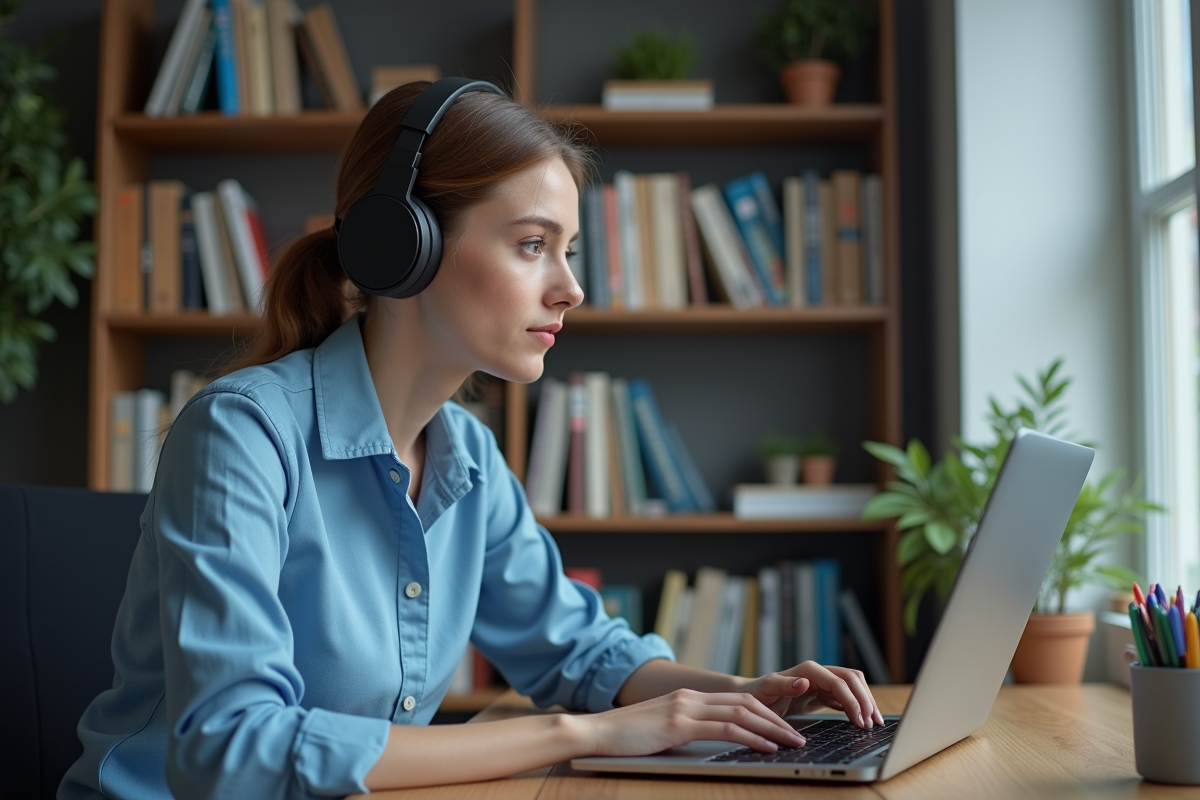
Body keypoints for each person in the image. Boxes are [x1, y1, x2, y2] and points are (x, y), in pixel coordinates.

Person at [60, 79, 882, 800]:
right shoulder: (243, 434)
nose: (572, 288)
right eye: (533, 245)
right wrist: (581, 735)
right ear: (403, 246)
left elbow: (582, 655)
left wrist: (744, 693)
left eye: (568, 251)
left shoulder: (467, 456)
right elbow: (231, 751)